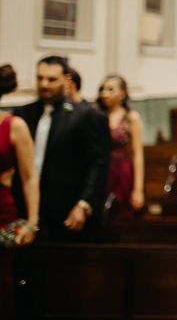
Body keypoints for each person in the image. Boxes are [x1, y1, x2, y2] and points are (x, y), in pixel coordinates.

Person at [11, 57, 110, 242]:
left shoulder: (85, 115)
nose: (44, 84)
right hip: (25, 207)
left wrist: (84, 203)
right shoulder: (23, 114)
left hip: (66, 208)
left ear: (66, 79)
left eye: (52, 79)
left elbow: (98, 164)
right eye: (40, 78)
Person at [1, 64, 39, 319]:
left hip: (2, 215)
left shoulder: (14, 125)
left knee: (1, 283)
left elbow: (28, 178)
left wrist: (32, 223)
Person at [96, 76, 144, 218]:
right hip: (103, 172)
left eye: (110, 90)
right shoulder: (98, 116)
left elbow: (137, 153)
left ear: (122, 93)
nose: (105, 94)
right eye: (103, 89)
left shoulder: (130, 117)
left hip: (123, 172)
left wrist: (138, 189)